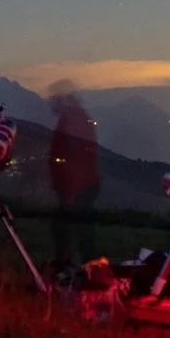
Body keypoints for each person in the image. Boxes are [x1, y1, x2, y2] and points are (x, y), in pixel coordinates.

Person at [45, 82, 101, 270]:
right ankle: (86, 270)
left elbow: (75, 160)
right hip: (80, 186)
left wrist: (70, 192)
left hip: (76, 187)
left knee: (70, 231)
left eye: (55, 99)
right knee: (78, 231)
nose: (52, 103)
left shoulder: (72, 121)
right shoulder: (77, 118)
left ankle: (76, 271)